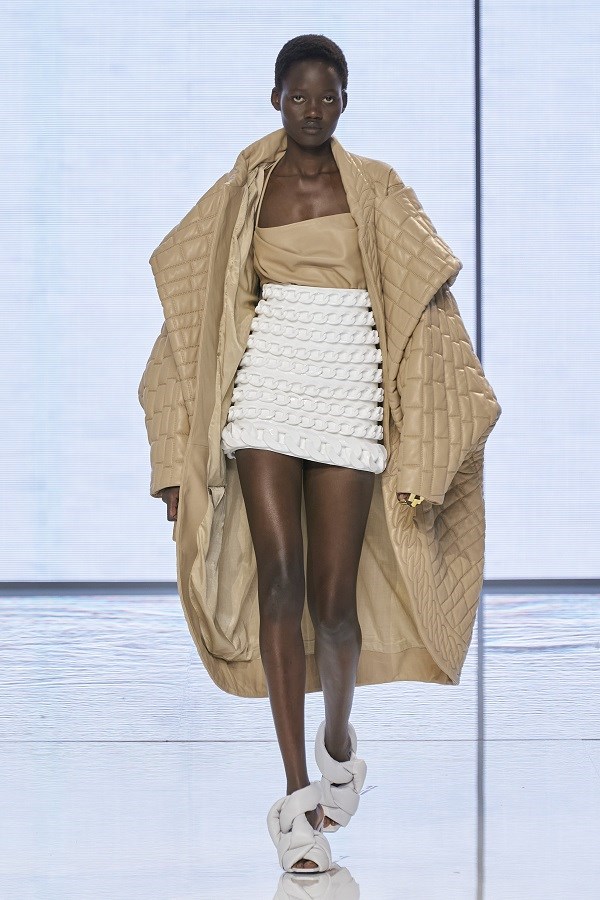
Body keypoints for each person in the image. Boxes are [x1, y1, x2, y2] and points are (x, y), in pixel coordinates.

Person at [139, 34, 501, 875]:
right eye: (297, 96)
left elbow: (427, 307)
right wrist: (172, 463)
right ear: (275, 99)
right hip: (267, 387)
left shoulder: (376, 188)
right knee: (281, 586)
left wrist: (432, 451)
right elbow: (193, 318)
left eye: (326, 96)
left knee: (334, 607)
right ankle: (296, 796)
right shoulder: (244, 190)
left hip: (349, 386)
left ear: (344, 102)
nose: (311, 110)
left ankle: (337, 742)